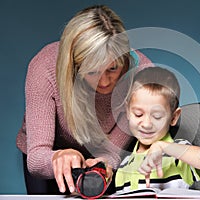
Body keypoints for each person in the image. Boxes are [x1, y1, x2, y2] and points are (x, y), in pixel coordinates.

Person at [16, 5, 152, 195]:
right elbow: (37, 158)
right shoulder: (44, 68)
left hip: (104, 150)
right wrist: (58, 157)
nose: (104, 82)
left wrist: (104, 163)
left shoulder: (142, 76)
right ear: (75, 66)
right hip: (52, 152)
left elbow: (111, 152)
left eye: (113, 69)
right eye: (92, 71)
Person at [115, 67, 200, 192]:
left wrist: (163, 146)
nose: (147, 124)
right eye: (138, 114)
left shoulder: (178, 152)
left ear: (174, 117)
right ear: (127, 112)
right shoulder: (124, 164)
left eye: (157, 116)